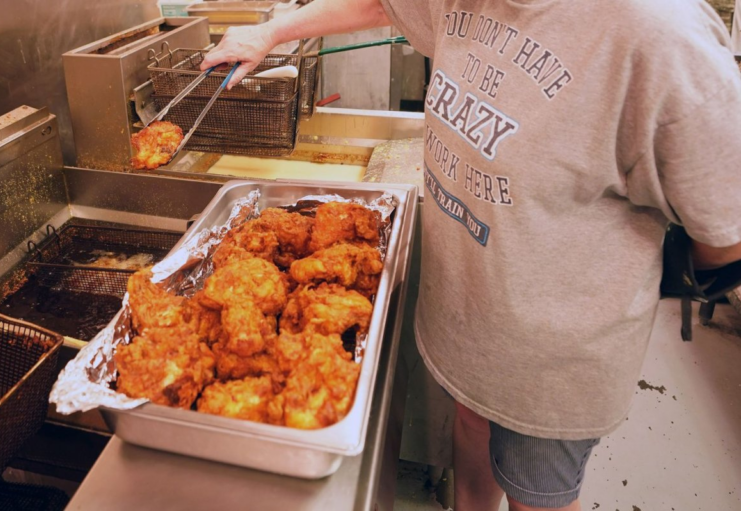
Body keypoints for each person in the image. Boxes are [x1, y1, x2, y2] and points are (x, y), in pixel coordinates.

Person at [202, 1, 741, 509]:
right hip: (463, 319)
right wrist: (269, 32)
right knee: (470, 428)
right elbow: (385, 4)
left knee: (536, 492)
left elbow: (726, 229)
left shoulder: (661, 38)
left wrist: (604, 285)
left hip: (549, 358)